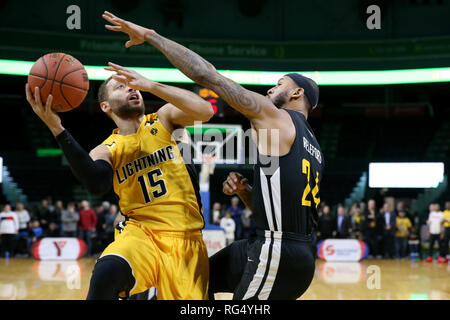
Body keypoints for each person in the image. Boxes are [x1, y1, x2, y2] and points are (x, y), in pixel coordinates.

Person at [102, 11, 324, 300]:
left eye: (280, 83)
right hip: (287, 248)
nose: (271, 87)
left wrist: (150, 37)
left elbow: (206, 75)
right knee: (194, 282)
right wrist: (246, 192)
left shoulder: (277, 118)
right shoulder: (313, 145)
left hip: (278, 251)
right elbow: (280, 209)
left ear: (297, 93)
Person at [26, 44, 213, 299]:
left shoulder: (165, 119)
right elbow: (96, 183)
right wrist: (58, 129)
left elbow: (206, 110)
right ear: (105, 107)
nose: (131, 88)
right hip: (141, 234)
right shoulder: (107, 149)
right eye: (120, 86)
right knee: (106, 272)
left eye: (132, 84)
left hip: (187, 239)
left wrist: (153, 85)